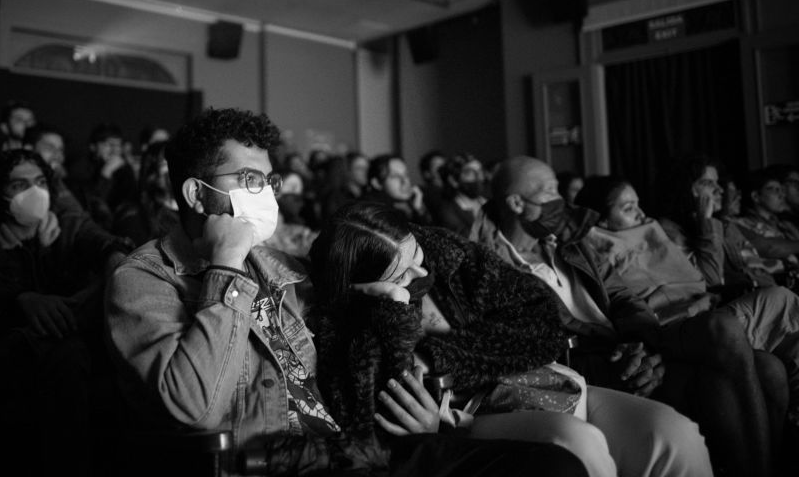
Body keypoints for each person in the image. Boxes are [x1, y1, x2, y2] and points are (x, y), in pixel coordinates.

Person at [104, 108, 590, 477]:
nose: (266, 194)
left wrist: (388, 318)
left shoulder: (276, 264)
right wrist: (225, 266)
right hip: (284, 459)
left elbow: (345, 348)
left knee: (555, 465)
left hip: (360, 439)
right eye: (249, 180)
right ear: (195, 195)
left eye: (268, 179)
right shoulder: (144, 280)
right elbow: (196, 406)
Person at [310, 201, 713, 477]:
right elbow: (371, 417)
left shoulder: (442, 252)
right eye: (400, 276)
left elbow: (540, 317)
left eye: (415, 255)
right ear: (358, 287)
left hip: (547, 379)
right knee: (577, 446)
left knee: (674, 434)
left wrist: (442, 358)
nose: (419, 274)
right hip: (467, 420)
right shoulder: (347, 325)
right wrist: (391, 310)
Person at [479, 156, 786, 477]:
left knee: (770, 367)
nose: (561, 201)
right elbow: (543, 338)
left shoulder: (570, 243)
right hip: (590, 362)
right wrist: (626, 353)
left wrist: (641, 343)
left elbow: (623, 296)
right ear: (516, 202)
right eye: (549, 192)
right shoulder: (490, 263)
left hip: (635, 342)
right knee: (737, 362)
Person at [0, 149, 132, 475]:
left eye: (39, 182)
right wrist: (23, 299)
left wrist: (113, 257)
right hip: (1, 351)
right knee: (69, 349)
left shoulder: (65, 228)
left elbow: (101, 241)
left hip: (66, 348)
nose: (33, 193)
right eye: (18, 185)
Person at [578, 172, 799, 429]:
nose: (640, 213)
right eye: (628, 208)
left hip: (706, 309)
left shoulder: (654, 231)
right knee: (780, 299)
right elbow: (626, 306)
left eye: (638, 204)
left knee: (771, 364)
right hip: (674, 325)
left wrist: (706, 223)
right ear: (600, 218)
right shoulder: (597, 248)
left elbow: (706, 278)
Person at [71, 122, 138, 230]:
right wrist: (105, 175)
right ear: (93, 147)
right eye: (109, 144)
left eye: (118, 145)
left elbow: (130, 202)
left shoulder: (124, 169)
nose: (115, 150)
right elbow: (91, 207)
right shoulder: (80, 169)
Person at [363, 154, 432, 225]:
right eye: (395, 176)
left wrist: (419, 210)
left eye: (406, 174)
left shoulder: (408, 204)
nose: (405, 181)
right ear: (377, 183)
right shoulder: (371, 212)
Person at [432, 154, 488, 240]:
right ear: (454, 180)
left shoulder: (486, 203)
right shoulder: (448, 212)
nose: (479, 177)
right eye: (470, 173)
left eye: (480, 171)